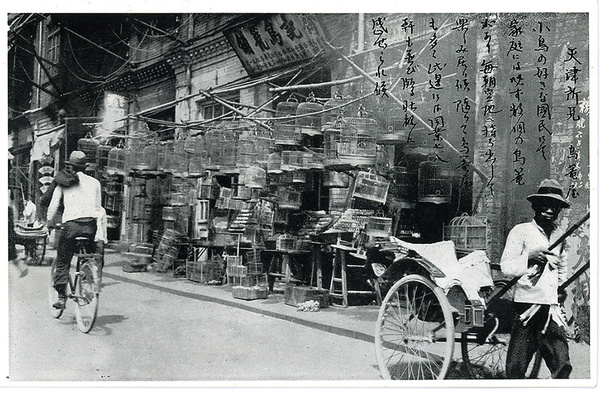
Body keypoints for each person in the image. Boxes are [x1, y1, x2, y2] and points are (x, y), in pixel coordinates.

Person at [501, 178, 572, 379]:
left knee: (561, 364)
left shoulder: (559, 235)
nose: (549, 210)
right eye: (545, 205)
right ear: (535, 205)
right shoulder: (521, 231)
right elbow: (506, 266)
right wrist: (529, 257)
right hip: (526, 307)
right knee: (516, 367)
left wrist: (561, 288)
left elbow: (562, 267)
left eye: (555, 206)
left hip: (550, 308)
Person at [47, 151, 102, 310]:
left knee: (63, 260)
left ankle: (62, 298)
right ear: (85, 167)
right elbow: (97, 208)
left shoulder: (63, 182)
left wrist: (49, 222)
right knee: (87, 255)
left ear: (70, 166)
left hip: (71, 227)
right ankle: (87, 279)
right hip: (90, 226)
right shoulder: (95, 182)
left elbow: (53, 205)